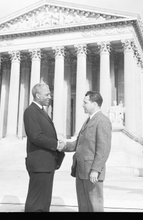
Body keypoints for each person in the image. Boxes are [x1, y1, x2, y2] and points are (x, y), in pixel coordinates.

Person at [58, 91, 112, 212]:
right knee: (83, 205)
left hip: (92, 172)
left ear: (94, 104)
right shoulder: (88, 121)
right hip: (81, 170)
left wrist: (95, 170)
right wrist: (63, 145)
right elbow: (79, 144)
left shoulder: (102, 121)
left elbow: (103, 149)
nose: (82, 105)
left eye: (85, 102)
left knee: (95, 205)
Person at [23, 83, 65, 212]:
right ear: (37, 95)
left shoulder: (41, 111)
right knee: (37, 203)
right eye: (47, 94)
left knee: (43, 202)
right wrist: (56, 144)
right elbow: (36, 136)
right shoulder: (31, 111)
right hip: (40, 164)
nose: (49, 97)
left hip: (45, 164)